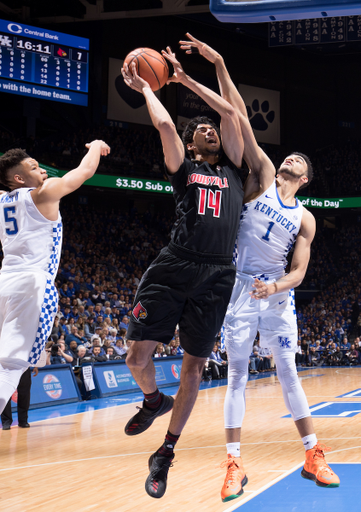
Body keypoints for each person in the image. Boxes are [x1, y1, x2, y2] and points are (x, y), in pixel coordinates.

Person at [179, 33, 340, 500]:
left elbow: (301, 271)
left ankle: (313, 453)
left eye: (299, 161)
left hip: (278, 294)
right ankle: (233, 464)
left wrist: (280, 288)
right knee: (237, 376)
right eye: (289, 154)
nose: (291, 158)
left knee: (289, 372)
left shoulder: (305, 218)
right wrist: (218, 63)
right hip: (239, 288)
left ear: (305, 179)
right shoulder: (264, 177)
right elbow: (240, 119)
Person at [121, 45, 244, 499]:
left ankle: (165, 453)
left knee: (194, 367)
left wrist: (187, 80)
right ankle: (154, 401)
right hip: (174, 265)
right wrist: (147, 88)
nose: (210, 130)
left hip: (217, 274)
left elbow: (231, 113)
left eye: (212, 129)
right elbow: (166, 125)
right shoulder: (183, 168)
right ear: (193, 145)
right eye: (203, 130)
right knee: (136, 358)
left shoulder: (234, 167)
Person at [0, 140, 110, 417]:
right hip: (33, 285)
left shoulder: (1, 200)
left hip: (4, 283)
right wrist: (96, 146)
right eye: (35, 168)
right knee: (13, 365)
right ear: (18, 178)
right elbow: (84, 171)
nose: (43, 172)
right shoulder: (43, 193)